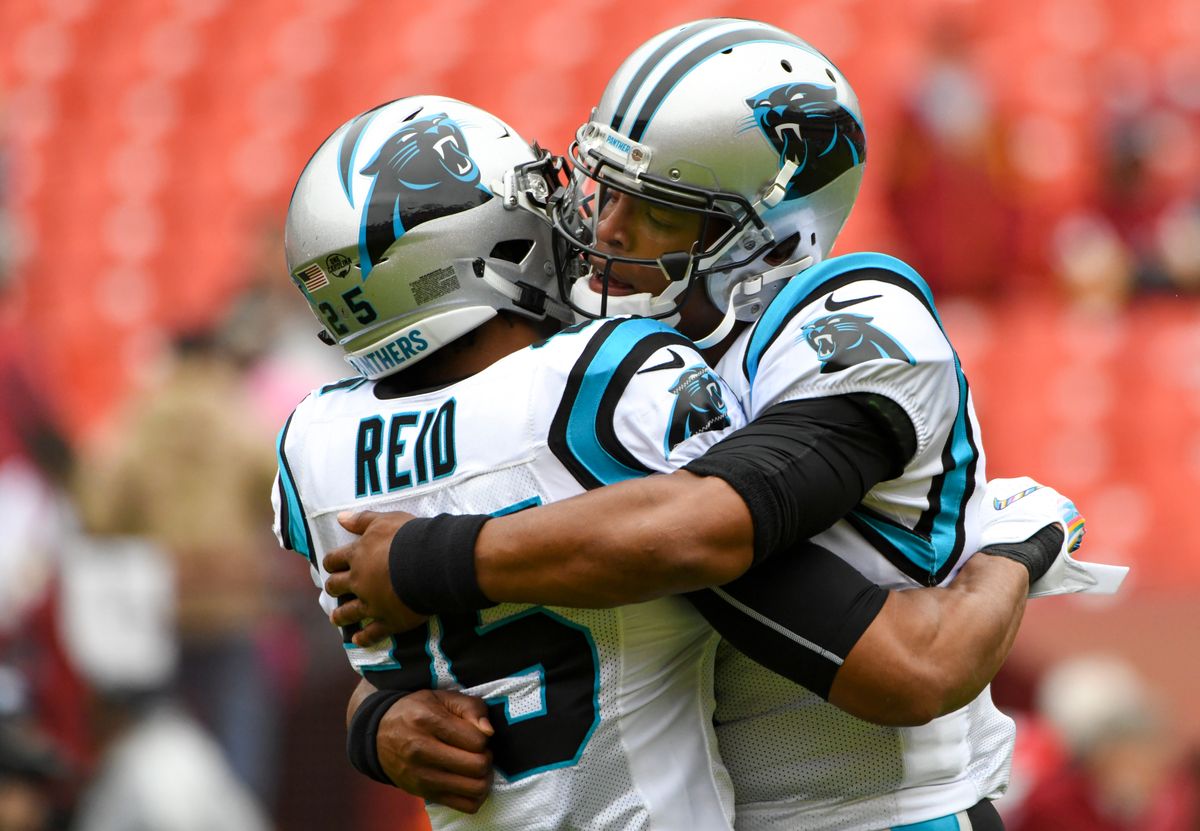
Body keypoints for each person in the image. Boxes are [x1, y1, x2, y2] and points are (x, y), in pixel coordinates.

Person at [324, 18, 1126, 830]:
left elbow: (712, 532)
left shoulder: (857, 322)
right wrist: (377, 722)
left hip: (868, 813)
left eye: (659, 212)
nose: (606, 233)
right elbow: (472, 624)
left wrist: (438, 557)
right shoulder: (589, 356)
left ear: (768, 234)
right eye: (609, 190)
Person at [275, 94, 757, 830]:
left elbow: (387, 665)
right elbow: (753, 520)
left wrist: (371, 722)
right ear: (471, 246)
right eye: (536, 200)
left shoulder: (309, 445)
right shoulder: (604, 381)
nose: (570, 222)